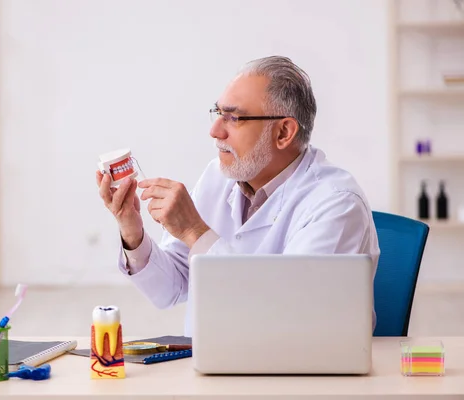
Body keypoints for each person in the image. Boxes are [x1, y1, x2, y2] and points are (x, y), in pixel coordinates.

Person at [96, 55, 380, 337]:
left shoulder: (336, 203)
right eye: (218, 113)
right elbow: (170, 289)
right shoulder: (219, 176)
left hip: (299, 375)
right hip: (212, 366)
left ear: (283, 132)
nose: (215, 131)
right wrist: (132, 232)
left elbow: (291, 318)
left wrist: (196, 232)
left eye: (234, 118)